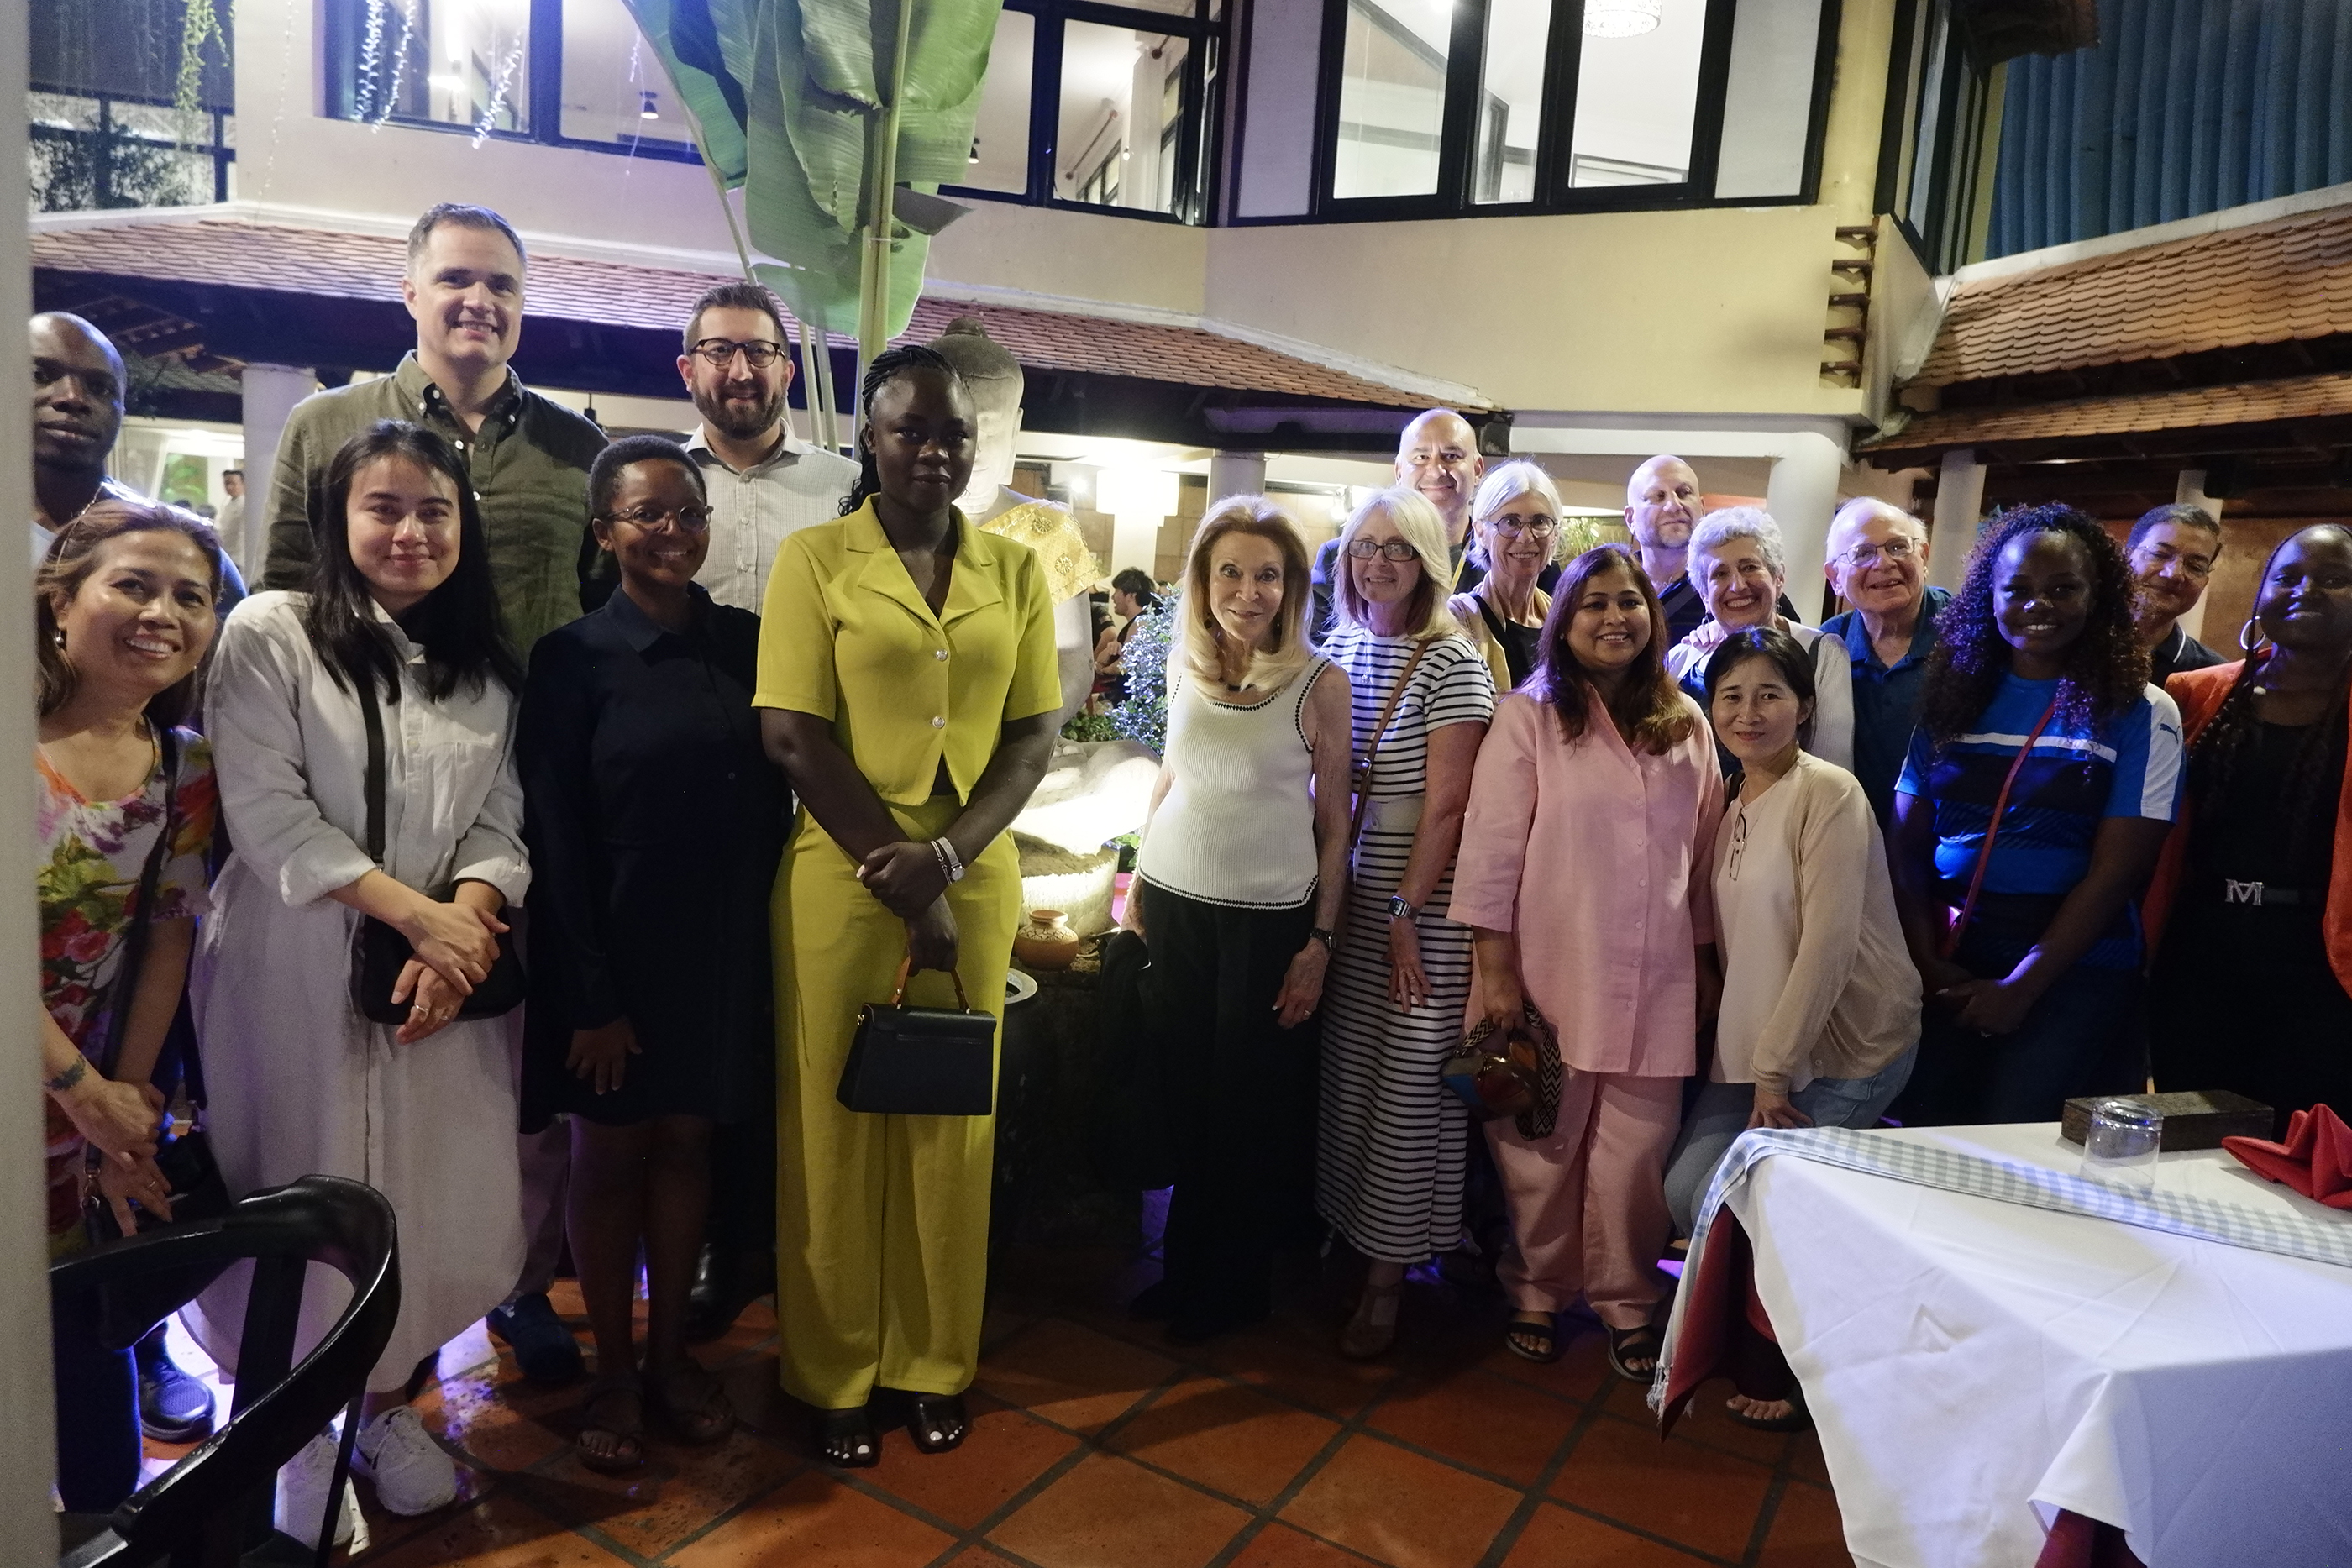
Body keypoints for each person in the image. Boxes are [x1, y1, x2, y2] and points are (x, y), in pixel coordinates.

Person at [258, 202, 601, 1383]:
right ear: (409, 290)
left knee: (507, 1069)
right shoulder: (328, 422)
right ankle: (315, 1349)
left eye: (502, 283)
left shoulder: (574, 445)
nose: (480, 302)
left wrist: (471, 901)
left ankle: (508, 1283)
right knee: (333, 1089)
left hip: (512, 774)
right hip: (347, 794)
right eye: (455, 278)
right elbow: (280, 594)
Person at [192, 420, 531, 1524]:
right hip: (294, 956)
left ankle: (387, 1402)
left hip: (438, 972)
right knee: (301, 1172)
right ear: (337, 522)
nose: (411, 530)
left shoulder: (482, 666)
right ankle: (290, 1422)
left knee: (421, 1189)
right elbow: (268, 810)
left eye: (435, 509)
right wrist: (421, 919)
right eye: (382, 507)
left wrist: (466, 919)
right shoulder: (271, 631)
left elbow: (501, 813)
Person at [757, 346, 1059, 1466]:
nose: (935, 451)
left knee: (950, 1131)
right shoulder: (817, 558)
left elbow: (1032, 733)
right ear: (871, 441)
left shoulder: (1017, 572)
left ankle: (933, 1363)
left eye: (953, 434)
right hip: (841, 876)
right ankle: (832, 1369)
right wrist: (897, 856)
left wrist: (948, 855)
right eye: (910, 431)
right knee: (833, 1130)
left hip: (973, 879)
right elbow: (790, 729)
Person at [519, 437, 786, 1470]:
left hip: (720, 952)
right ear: (605, 532)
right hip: (614, 954)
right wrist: (589, 996)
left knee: (688, 1150)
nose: (672, 532)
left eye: (688, 514)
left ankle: (674, 1356)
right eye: (647, 515)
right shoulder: (571, 658)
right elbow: (554, 832)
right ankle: (614, 1370)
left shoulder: (750, 643)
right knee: (610, 1155)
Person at [34, 311, 241, 1445]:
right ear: (62, 599)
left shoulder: (184, 768)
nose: (162, 612)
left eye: (191, 595)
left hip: (90, 1100)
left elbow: (167, 929)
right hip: (48, 1080)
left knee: (86, 1362)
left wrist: (128, 1100)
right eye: (133, 586)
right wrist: (82, 1087)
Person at [1451, 544, 1723, 1378]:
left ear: (1652, 617)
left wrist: (1710, 964)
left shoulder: (1686, 722)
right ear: (1562, 622)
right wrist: (1495, 972)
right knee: (1542, 1144)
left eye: (1629, 602)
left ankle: (1627, 1298)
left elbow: (1707, 856)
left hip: (1660, 973)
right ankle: (1535, 1285)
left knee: (1637, 1154)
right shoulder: (1528, 716)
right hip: (1546, 967)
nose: (1615, 618)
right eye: (1594, 603)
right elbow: (1492, 852)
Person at [652, 280, 853, 1342]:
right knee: (718, 1013)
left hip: (813, 779)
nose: (740, 370)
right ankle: (717, 1247)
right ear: (687, 370)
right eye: (718, 352)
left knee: (796, 1013)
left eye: (760, 352)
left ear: (788, 367)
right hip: (690, 779)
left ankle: (784, 1239)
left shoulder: (842, 486)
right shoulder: (659, 482)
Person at [1663, 628, 1919, 1424]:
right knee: (1685, 1193)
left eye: (1770, 693)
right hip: (1759, 1044)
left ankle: (1796, 1365)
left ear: (1804, 708)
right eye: (1732, 695)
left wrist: (1775, 1070)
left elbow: (1830, 945)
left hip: (1845, 1047)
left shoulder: (1829, 792)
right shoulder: (1732, 796)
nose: (1749, 711)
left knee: (1752, 1202)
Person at [1126, 497, 1352, 1345]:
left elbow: (1336, 826)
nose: (1247, 591)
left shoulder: (1320, 682)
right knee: (1185, 1093)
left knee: (1246, 1106)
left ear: (1290, 585)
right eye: (1230, 571)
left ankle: (1234, 1287)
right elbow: (1172, 775)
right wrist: (1140, 876)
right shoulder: (1187, 662)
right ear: (1203, 579)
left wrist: (1319, 945)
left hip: (1268, 919)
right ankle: (1184, 1273)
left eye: (1266, 574)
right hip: (1179, 905)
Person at [1887, 504, 2182, 1127]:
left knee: (2016, 1130)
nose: (2037, 603)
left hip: (2073, 965)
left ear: (2097, 596)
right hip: (1952, 953)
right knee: (1928, 1132)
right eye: (2016, 588)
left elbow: (2116, 873)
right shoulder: (1953, 697)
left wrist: (2021, 987)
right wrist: (1927, 964)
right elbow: (1905, 846)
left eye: (2062, 588)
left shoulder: (2141, 710)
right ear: (1987, 598)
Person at [1315, 490, 1494, 1359]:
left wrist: (1402, 909)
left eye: (1396, 548)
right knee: (1351, 1072)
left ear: (1428, 558)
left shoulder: (1450, 658)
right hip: (1351, 885)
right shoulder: (1344, 642)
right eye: (1363, 545)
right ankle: (1350, 1236)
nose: (1377, 561)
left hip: (1414, 896)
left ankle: (1389, 1279)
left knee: (1409, 1089)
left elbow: (1451, 803)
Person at [2146, 525, 2352, 1135]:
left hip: (2323, 961)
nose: (2305, 589)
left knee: (2307, 1145)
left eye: (2334, 578)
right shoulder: (2195, 693)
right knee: (2197, 1134)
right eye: (2287, 576)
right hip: (2200, 949)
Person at [931, 316, 1103, 727]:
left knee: (1129, 768)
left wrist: (1021, 738)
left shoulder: (1046, 529)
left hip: (1016, 740)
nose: (969, 449)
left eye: (986, 429)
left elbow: (1073, 660)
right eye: (953, 430)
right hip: (903, 738)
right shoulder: (881, 525)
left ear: (1014, 430)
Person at [1664, 507, 1855, 770]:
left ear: (1778, 579)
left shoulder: (1822, 652)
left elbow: (1833, 767)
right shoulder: (1682, 660)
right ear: (1704, 595)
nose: (1738, 585)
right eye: (1720, 574)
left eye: (1749, 567)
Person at [1311, 409, 1506, 644]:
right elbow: (1311, 653)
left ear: (1477, 470)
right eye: (1421, 458)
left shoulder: (1503, 560)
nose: (1436, 471)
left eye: (1451, 456)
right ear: (1399, 471)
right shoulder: (1346, 557)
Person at [1818, 499, 1948, 826]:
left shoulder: (1968, 631)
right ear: (1834, 577)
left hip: (1948, 846)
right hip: (1852, 839)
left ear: (1924, 556)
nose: (1884, 563)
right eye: (1863, 554)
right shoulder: (1826, 646)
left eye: (1898, 546)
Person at [1448, 461, 1560, 691]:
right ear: (1481, 533)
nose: (1526, 537)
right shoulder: (1459, 621)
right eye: (1510, 522)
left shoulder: (1565, 622)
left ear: (1555, 534)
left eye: (1540, 521)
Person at [2128, 502, 2228, 686]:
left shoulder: (2212, 679)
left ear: (2205, 582)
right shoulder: (2070, 643)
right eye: (2160, 554)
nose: (2174, 574)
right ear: (2126, 556)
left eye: (2194, 567)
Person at [1092, 567, 1159, 705]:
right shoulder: (1134, 624)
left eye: (1116, 591)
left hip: (1131, 702)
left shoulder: (1142, 623)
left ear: (1131, 596)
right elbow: (1102, 658)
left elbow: (1125, 664)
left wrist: (1103, 670)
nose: (1112, 597)